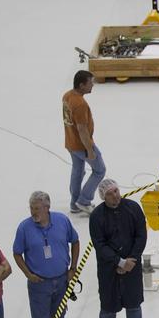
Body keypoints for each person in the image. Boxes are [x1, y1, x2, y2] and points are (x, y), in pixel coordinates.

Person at [13, 191, 82, 318]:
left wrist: (73, 268)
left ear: (47, 208)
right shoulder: (24, 228)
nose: (33, 212)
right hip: (39, 284)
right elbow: (17, 253)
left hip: (61, 280)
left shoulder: (62, 221)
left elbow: (75, 241)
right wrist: (28, 274)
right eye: (31, 208)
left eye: (37, 209)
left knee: (59, 317)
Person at [89, 179, 158, 318]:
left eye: (116, 190)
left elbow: (140, 235)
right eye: (110, 193)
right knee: (108, 308)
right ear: (104, 197)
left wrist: (131, 260)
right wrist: (119, 262)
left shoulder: (132, 208)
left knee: (134, 302)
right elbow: (100, 245)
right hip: (108, 270)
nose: (115, 195)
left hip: (132, 266)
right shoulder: (97, 216)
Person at [64, 70, 105, 216]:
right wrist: (90, 149)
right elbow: (82, 129)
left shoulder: (67, 95)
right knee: (99, 170)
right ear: (81, 85)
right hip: (82, 145)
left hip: (71, 142)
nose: (92, 85)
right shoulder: (80, 104)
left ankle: (74, 204)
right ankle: (84, 200)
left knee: (77, 171)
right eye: (90, 83)